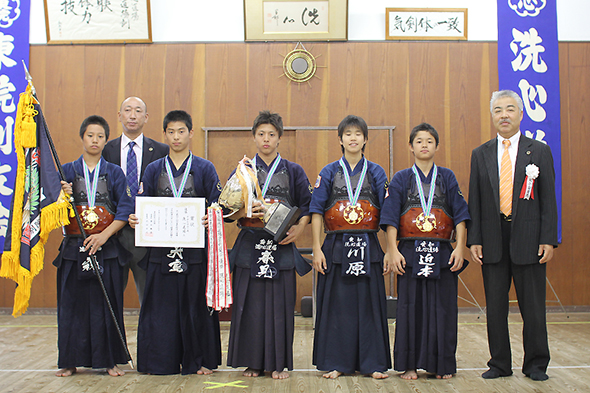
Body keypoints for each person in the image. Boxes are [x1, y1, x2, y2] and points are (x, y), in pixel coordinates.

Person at [467, 90, 558, 381]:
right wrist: (475, 239)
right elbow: (476, 200)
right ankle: (499, 364)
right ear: (492, 116)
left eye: (509, 109)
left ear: (520, 114)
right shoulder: (480, 153)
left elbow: (548, 199)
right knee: (495, 308)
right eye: (497, 110)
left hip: (530, 239)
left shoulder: (539, 150)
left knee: (533, 307)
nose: (503, 115)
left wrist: (548, 238)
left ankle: (536, 365)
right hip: (493, 239)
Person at [129, 110, 222, 375]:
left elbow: (218, 207)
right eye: (171, 131)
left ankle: (200, 360)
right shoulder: (153, 169)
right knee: (161, 307)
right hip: (161, 251)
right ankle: (159, 361)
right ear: (165, 134)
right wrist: (137, 219)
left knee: (195, 306)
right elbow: (143, 206)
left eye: (181, 131)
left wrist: (209, 217)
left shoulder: (205, 168)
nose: (176, 136)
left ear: (191, 133)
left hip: (194, 252)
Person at [226, 110, 312, 380]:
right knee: (249, 305)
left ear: (279, 139)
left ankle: (277, 363)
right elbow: (228, 211)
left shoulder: (293, 171)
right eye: (261, 134)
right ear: (254, 137)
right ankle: (251, 362)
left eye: (271, 135)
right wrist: (245, 213)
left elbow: (308, 206)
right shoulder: (243, 170)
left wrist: (299, 229)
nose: (266, 139)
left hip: (281, 244)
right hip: (250, 245)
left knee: (280, 306)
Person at [381, 123, 470, 380]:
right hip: (409, 252)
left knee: (443, 309)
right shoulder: (400, 178)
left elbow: (461, 215)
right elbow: (390, 218)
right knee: (409, 308)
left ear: (436, 146)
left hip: (442, 252)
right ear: (410, 146)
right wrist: (393, 250)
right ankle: (409, 365)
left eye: (429, 141)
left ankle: (441, 365)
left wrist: (460, 247)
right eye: (419, 141)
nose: (424, 145)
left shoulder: (448, 177)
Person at [310, 115, 392, 379]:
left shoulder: (377, 172)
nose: (353, 138)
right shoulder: (329, 171)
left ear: (365, 139)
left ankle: (374, 364)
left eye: (358, 134)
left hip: (368, 244)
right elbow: (316, 211)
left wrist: (390, 249)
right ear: (340, 140)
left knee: (370, 306)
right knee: (338, 307)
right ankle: (337, 362)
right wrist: (316, 248)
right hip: (335, 245)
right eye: (348, 134)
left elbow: (388, 212)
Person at [54, 115, 133, 377]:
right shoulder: (66, 171)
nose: (95, 140)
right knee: (71, 305)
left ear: (106, 140)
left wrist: (104, 236)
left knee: (107, 305)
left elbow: (125, 210)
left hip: (106, 248)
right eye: (90, 135)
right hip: (73, 248)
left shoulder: (115, 172)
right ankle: (69, 360)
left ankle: (108, 361)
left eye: (100, 136)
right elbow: (50, 210)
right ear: (82, 137)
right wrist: (61, 197)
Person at [102, 96, 169, 304]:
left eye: (138, 111)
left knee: (150, 298)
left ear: (146, 117)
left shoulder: (161, 151)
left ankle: (150, 337)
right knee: (110, 298)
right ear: (119, 115)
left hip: (147, 235)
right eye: (128, 110)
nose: (133, 115)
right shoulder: (105, 150)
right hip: (113, 233)